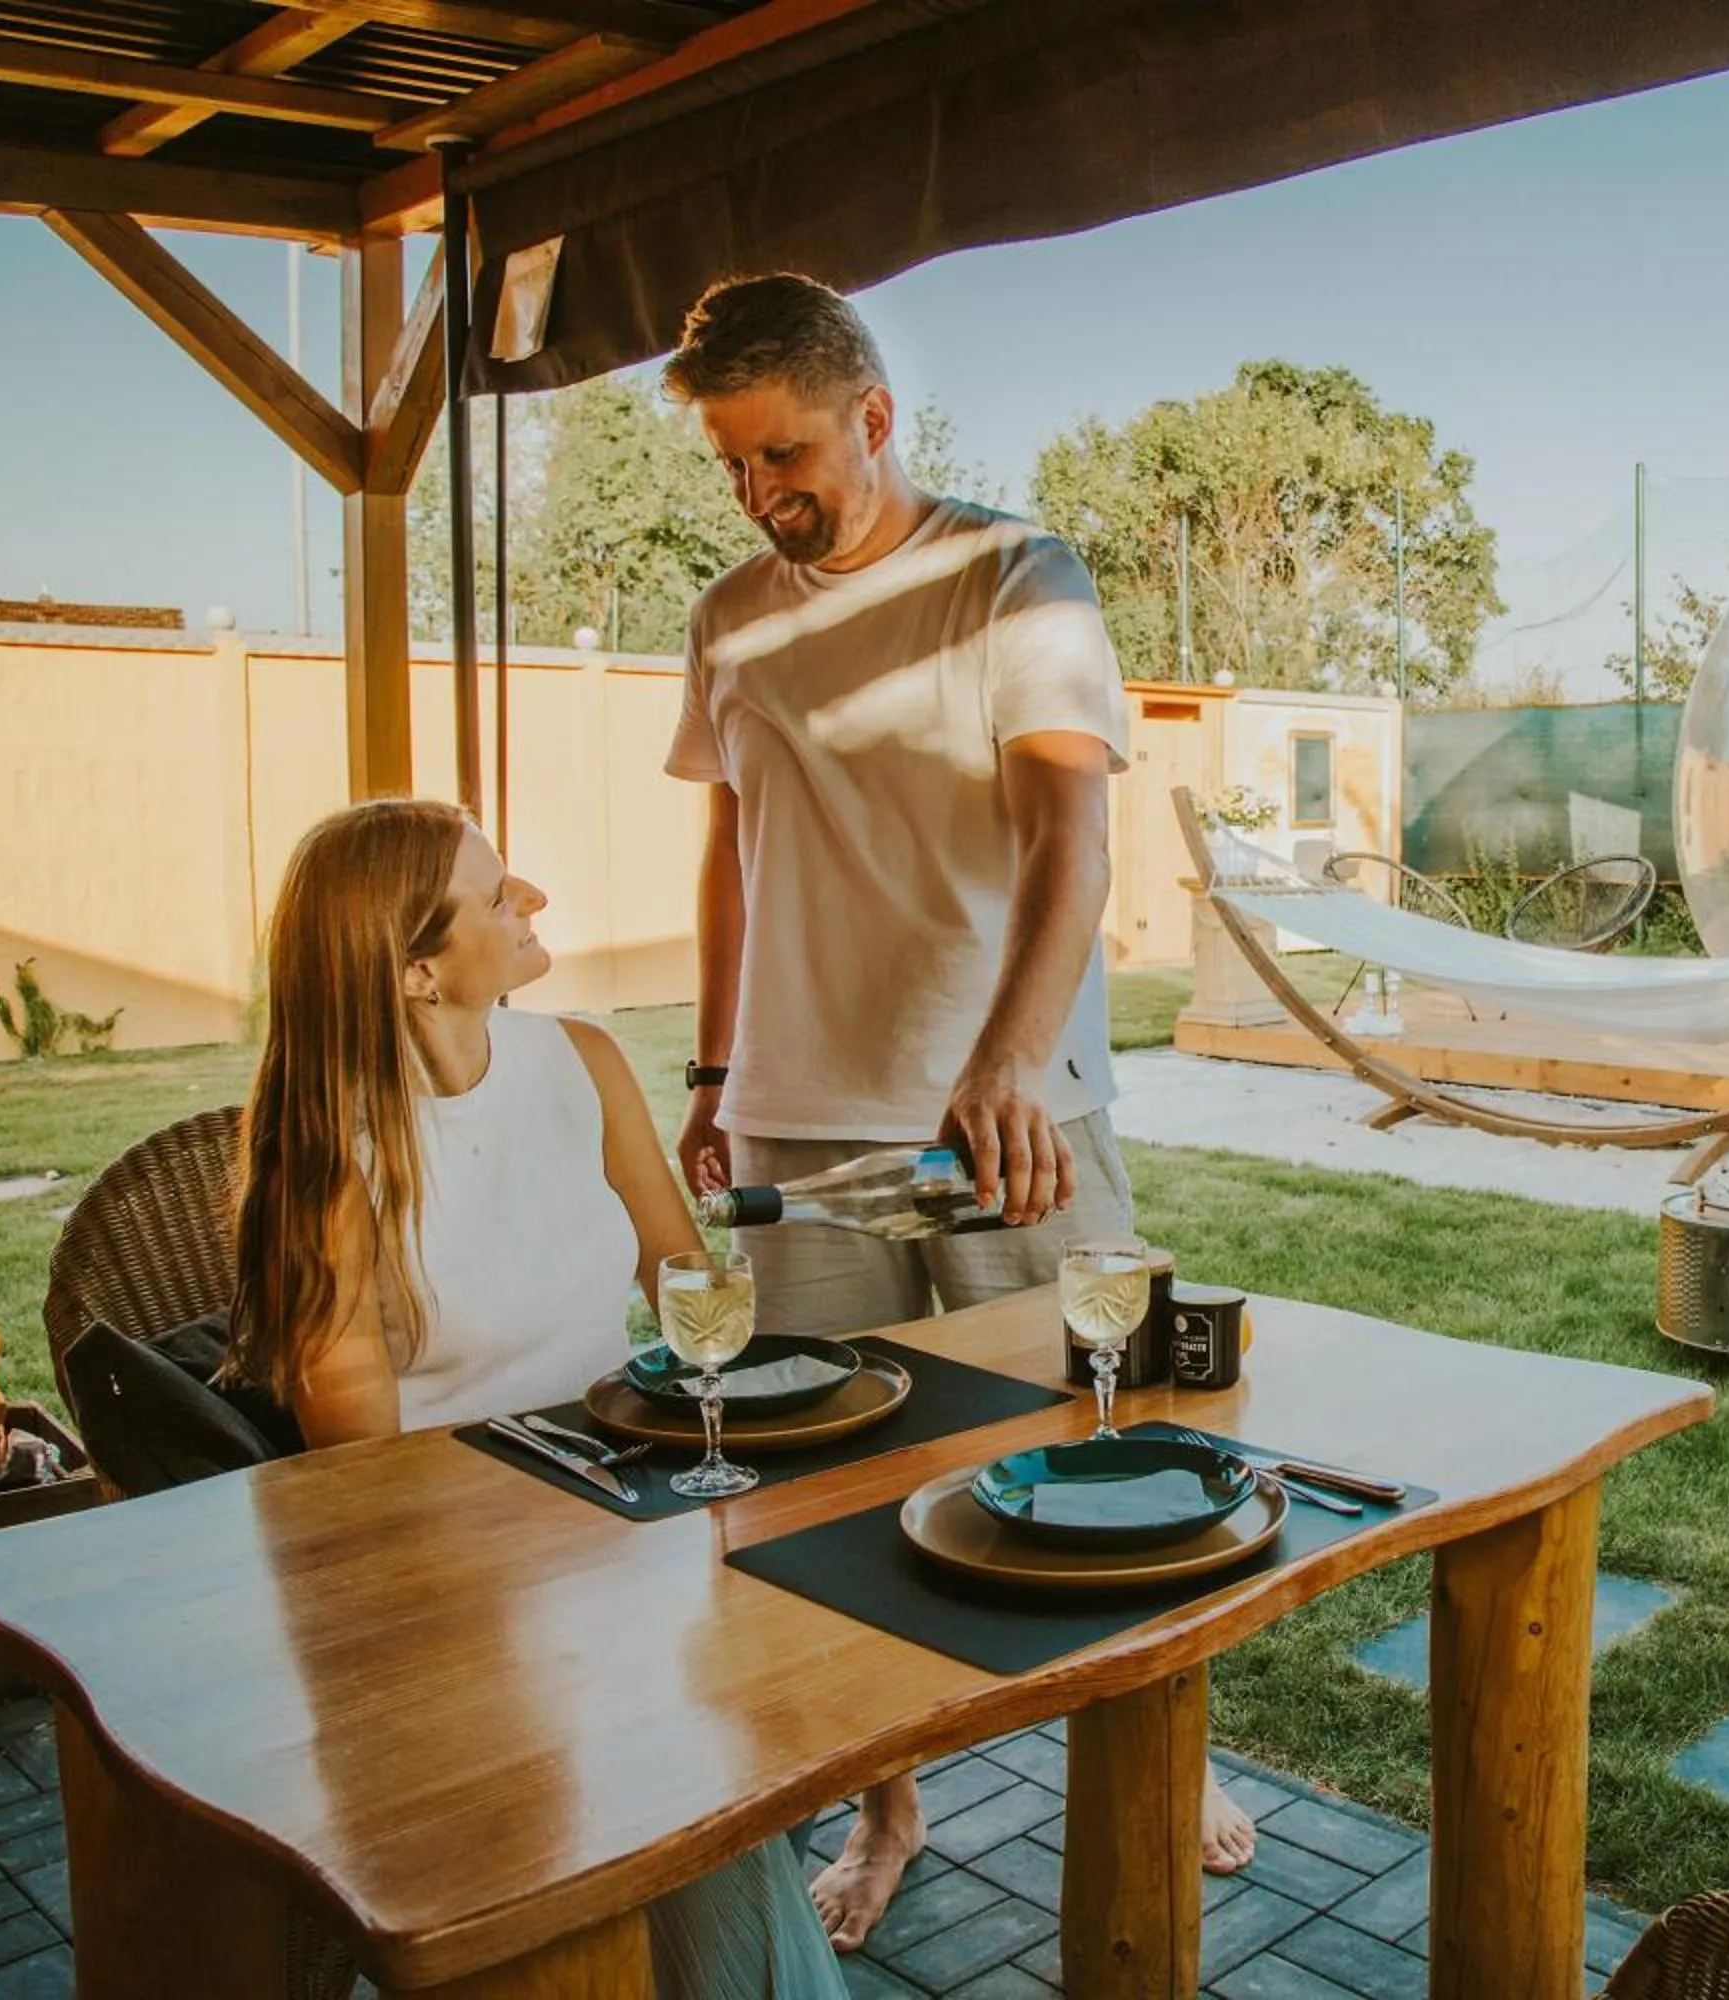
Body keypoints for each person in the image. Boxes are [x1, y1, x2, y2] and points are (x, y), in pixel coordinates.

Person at [660, 271, 1260, 1951]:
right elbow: (729, 849)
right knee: (823, 1495)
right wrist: (717, 1073)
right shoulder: (730, 616)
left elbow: (1074, 840)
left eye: (784, 451)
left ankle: (1167, 1749)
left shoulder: (1016, 579)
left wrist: (1001, 1063)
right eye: (729, 464)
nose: (761, 490)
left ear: (873, 419)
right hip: (797, 1115)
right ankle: (888, 1806)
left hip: (1013, 1118)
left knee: (1092, 1441)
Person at [223, 797, 844, 2000]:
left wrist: (734, 1273)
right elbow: (361, 1479)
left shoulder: (583, 1062)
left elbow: (680, 1274)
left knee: (817, 1658)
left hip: (630, 1518)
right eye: (499, 895)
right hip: (452, 1596)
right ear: (417, 969)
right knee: (685, 1793)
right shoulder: (333, 1155)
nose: (534, 903)